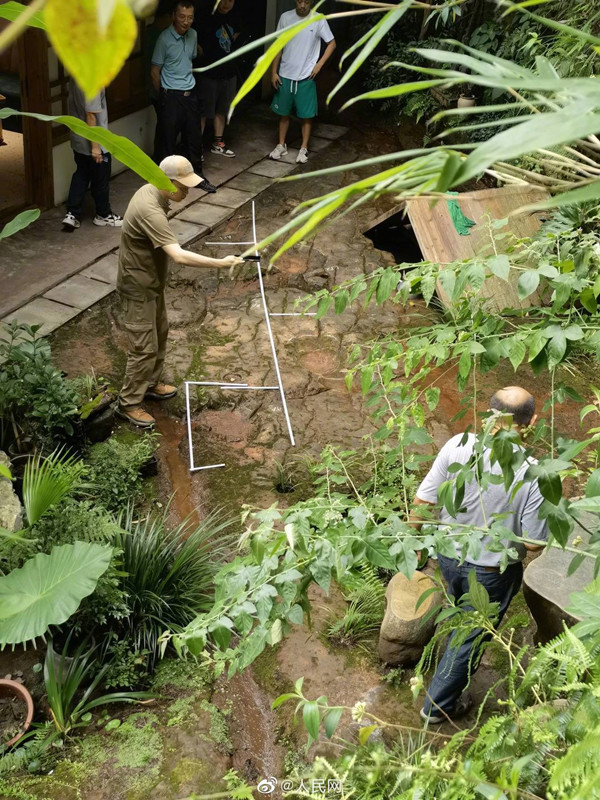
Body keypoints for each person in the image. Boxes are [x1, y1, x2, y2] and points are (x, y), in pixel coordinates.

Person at [412, 386, 549, 724]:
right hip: (491, 571)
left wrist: (414, 544)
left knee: (461, 613)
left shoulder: (457, 444)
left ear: (490, 415)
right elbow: (533, 543)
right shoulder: (534, 473)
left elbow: (424, 501)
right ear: (532, 421)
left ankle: (445, 669)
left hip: (447, 554)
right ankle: (437, 706)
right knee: (471, 638)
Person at [116, 155, 244, 427]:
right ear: (166, 181)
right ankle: (128, 404)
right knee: (143, 346)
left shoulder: (155, 193)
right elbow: (179, 256)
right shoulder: (150, 209)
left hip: (150, 280)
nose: (187, 191)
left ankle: (149, 384)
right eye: (183, 186)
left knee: (160, 332)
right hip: (137, 284)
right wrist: (221, 263)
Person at [151, 1, 216, 193]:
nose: (186, 22)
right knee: (168, 141)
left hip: (191, 95)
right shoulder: (164, 39)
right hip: (171, 96)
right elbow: (155, 72)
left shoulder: (193, 35)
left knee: (194, 139)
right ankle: (165, 182)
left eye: (190, 17)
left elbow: (190, 60)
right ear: (174, 16)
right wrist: (162, 97)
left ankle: (197, 178)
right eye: (182, 17)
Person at [269, 0, 336, 164]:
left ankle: (303, 148)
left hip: (306, 76)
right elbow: (278, 46)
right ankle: (281, 145)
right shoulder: (286, 17)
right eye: (300, 1)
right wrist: (273, 72)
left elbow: (332, 43)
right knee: (283, 114)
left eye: (306, 1)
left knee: (306, 116)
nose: (303, 5)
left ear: (311, 2)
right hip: (285, 74)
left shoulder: (318, 18)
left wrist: (319, 65)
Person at [62, 79, 122, 231]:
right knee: (101, 177)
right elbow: (91, 115)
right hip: (94, 140)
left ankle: (72, 214)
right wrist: (96, 148)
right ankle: (103, 215)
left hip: (78, 138)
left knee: (81, 173)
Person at [195, 0, 240, 158]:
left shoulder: (236, 16)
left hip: (229, 72)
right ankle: (197, 148)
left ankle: (218, 143)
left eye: (230, 0)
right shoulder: (204, 15)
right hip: (208, 73)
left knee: (222, 109)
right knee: (203, 111)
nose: (227, 4)